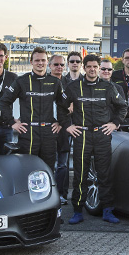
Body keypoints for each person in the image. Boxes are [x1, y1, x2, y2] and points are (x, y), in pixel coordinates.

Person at [62, 54, 127, 224]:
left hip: (102, 134)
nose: (92, 69)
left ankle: (107, 210)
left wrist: (115, 124)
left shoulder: (108, 87)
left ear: (99, 68)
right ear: (84, 68)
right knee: (80, 174)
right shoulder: (73, 87)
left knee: (104, 174)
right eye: (89, 66)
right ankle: (77, 211)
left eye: (95, 66)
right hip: (81, 135)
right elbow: (61, 107)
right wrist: (68, 125)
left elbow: (122, 107)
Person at [0, 47, 68, 184]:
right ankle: (28, 203)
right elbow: (4, 102)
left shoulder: (55, 82)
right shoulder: (21, 81)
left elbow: (63, 105)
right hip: (28, 132)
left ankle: (48, 203)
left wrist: (60, 122)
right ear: (31, 62)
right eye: (37, 60)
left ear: (47, 62)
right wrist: (12, 122)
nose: (40, 63)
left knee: (48, 170)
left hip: (49, 133)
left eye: (43, 60)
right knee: (28, 170)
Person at [48, 54, 71, 203]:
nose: (59, 67)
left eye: (62, 65)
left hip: (63, 128)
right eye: (56, 64)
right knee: (47, 163)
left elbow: (72, 107)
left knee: (62, 164)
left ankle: (61, 194)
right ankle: (48, 195)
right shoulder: (42, 81)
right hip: (46, 128)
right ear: (50, 65)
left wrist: (60, 122)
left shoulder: (69, 84)